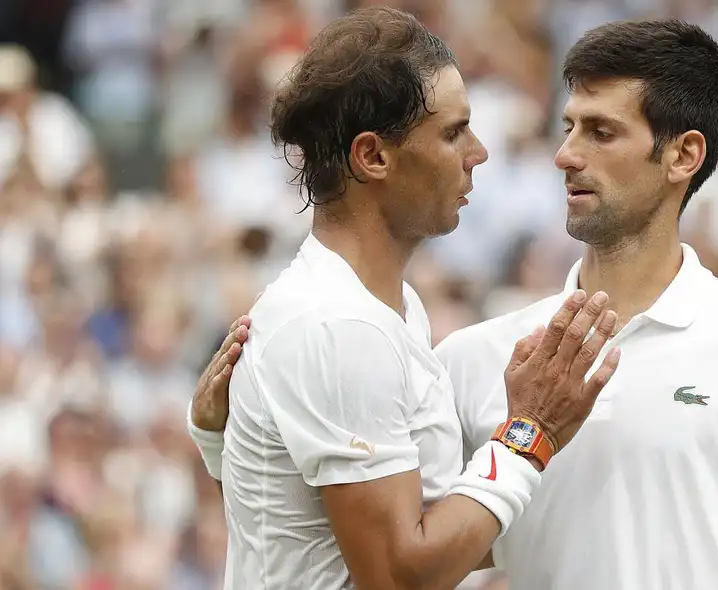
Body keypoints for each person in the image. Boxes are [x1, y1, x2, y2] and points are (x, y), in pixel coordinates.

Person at [194, 17, 718, 590]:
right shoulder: (473, 358)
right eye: (568, 126)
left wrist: (230, 441)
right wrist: (531, 431)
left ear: (684, 155)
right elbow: (399, 553)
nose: (566, 153)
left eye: (600, 132)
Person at [185, 7, 623, 590]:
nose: (478, 152)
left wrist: (222, 447)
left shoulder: (383, 309)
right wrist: (530, 432)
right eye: (452, 133)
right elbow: (396, 576)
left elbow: (301, 525)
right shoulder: (339, 325)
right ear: (373, 156)